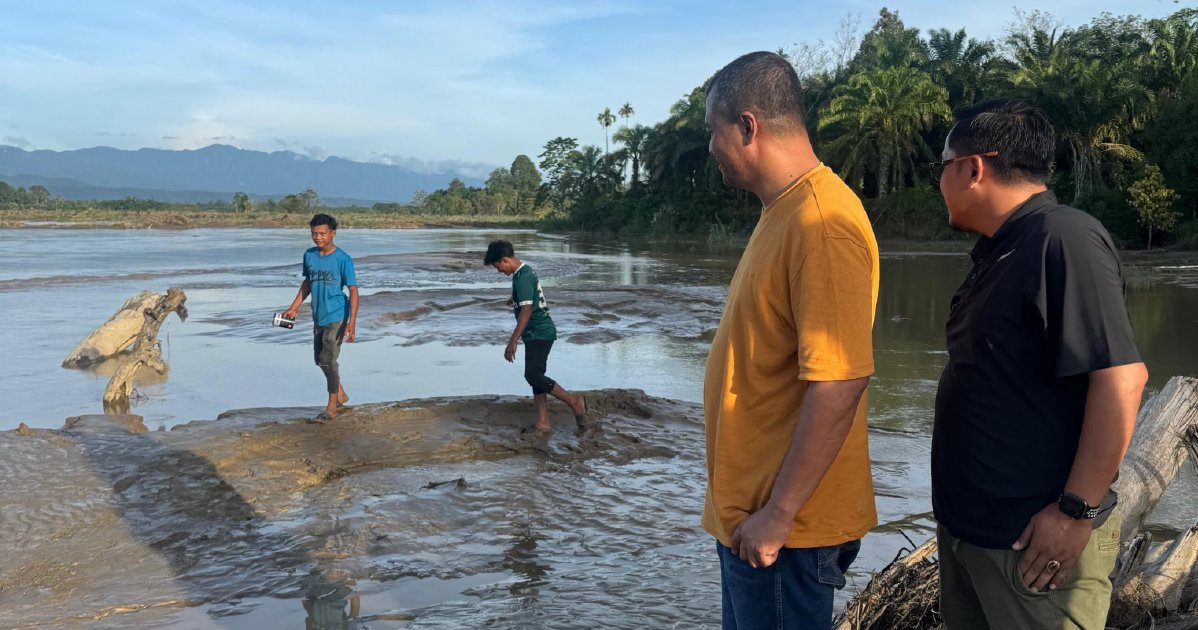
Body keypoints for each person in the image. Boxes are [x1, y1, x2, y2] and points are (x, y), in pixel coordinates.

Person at [930, 99, 1148, 629]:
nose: (940, 181)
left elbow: (1120, 379)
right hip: (977, 535)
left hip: (1032, 550)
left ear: (973, 168)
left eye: (943, 165)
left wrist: (1076, 511)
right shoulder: (1004, 247)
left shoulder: (1063, 238)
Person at [700, 51, 880, 629]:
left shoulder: (822, 223)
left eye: (713, 131)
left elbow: (841, 379)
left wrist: (779, 514)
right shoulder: (783, 211)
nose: (710, 147)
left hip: (785, 534)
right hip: (754, 523)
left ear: (747, 126)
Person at [484, 239, 586, 432]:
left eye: (498, 267)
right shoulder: (524, 272)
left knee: (533, 375)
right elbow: (530, 295)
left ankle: (574, 403)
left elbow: (527, 310)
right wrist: (514, 298)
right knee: (535, 375)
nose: (499, 271)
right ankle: (543, 421)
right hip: (535, 332)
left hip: (540, 331)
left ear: (505, 260)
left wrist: (513, 340)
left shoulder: (522, 277)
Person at [283, 213, 359, 420]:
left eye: (322, 234)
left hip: (338, 315)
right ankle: (340, 392)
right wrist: (294, 308)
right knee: (319, 360)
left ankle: (332, 407)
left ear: (333, 233)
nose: (318, 238)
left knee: (328, 360)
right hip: (319, 315)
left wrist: (351, 322)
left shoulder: (343, 259)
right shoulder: (309, 255)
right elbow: (308, 282)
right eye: (314, 234)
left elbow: (353, 290)